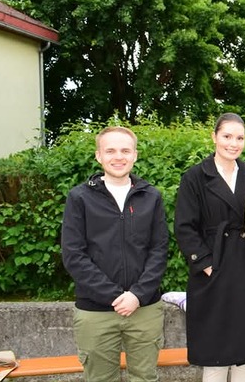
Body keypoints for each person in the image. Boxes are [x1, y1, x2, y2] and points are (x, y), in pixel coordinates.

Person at [61, 126, 169, 381]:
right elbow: (74, 255)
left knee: (145, 378)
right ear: (99, 156)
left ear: (135, 155)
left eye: (125, 151)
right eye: (110, 151)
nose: (118, 157)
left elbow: (159, 250)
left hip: (144, 309)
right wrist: (114, 296)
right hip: (95, 311)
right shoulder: (79, 197)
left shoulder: (151, 197)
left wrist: (137, 295)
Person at [174, 113, 245, 382]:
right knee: (215, 350)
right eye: (227, 136)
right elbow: (184, 226)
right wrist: (205, 264)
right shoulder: (195, 177)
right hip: (213, 269)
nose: (233, 143)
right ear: (214, 137)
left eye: (239, 138)